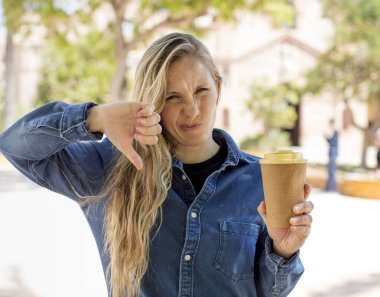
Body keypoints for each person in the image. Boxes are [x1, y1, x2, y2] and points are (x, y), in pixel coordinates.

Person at [0, 33, 313, 297]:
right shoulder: (109, 169)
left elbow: (269, 291)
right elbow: (15, 146)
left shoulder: (257, 180)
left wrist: (283, 252)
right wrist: (95, 117)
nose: (192, 110)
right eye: (172, 97)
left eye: (201, 91)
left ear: (217, 86)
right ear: (151, 102)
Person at [324, 118, 339, 191]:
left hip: (333, 151)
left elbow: (333, 142)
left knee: (332, 170)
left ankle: (332, 187)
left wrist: (326, 138)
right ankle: (329, 187)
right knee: (330, 170)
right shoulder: (333, 132)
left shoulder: (335, 132)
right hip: (332, 151)